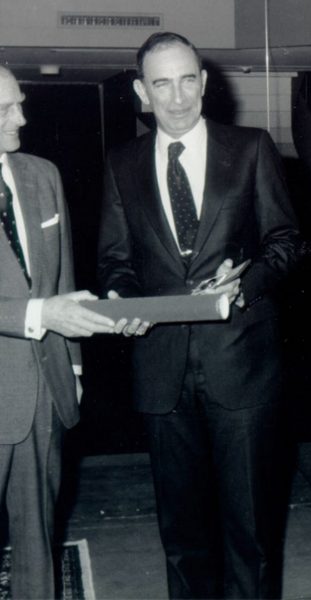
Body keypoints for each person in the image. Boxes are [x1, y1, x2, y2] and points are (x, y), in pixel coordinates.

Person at [97, 32, 302, 599]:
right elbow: (115, 261)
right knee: (183, 537)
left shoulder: (252, 147)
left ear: (205, 82)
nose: (178, 96)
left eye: (188, 80)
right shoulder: (122, 163)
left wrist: (246, 284)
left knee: (252, 533)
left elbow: (286, 240)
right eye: (162, 83)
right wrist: (123, 301)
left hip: (243, 366)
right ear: (142, 92)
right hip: (161, 370)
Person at [0, 66, 118, 598]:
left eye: (19, 103)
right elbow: (46, 306)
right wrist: (40, 315)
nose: (21, 118)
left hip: (45, 390)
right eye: (6, 109)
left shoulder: (41, 174)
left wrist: (71, 366)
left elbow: (62, 275)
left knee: (38, 540)